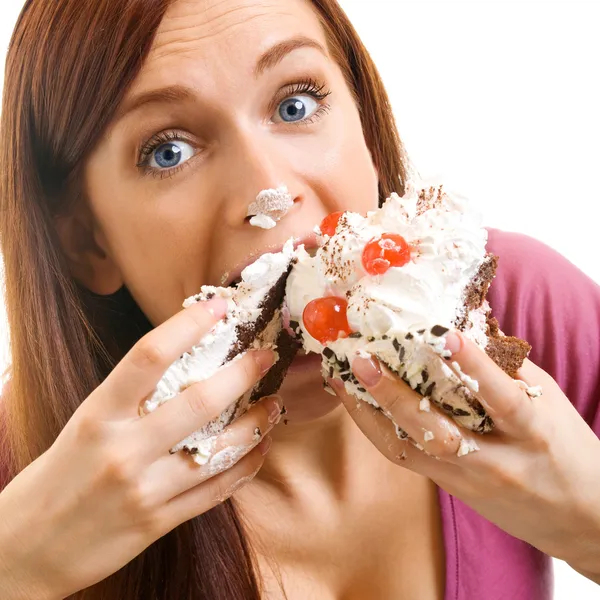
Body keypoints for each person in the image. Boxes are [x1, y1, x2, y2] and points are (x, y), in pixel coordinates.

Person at [0, 0, 599, 598]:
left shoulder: (515, 310)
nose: (271, 191)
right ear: (88, 243)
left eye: (296, 104)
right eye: (168, 151)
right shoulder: (32, 476)